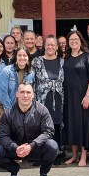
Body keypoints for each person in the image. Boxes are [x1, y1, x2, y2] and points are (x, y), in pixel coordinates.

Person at [0, 83, 57, 176]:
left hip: (35, 148)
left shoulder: (42, 110)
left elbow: (48, 131)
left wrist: (31, 146)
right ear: (17, 94)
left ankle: (44, 173)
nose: (25, 95)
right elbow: (2, 136)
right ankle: (13, 169)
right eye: (22, 92)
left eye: (28, 92)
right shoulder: (8, 113)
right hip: (15, 149)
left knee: (53, 146)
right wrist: (15, 147)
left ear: (33, 95)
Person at [62, 30, 89, 166]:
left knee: (83, 126)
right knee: (71, 125)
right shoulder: (67, 58)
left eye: (76, 39)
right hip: (69, 98)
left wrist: (88, 96)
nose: (74, 41)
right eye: (71, 40)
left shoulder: (87, 57)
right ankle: (74, 155)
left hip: (83, 97)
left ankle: (83, 156)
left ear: (81, 41)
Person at [32, 36, 65, 164]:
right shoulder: (37, 61)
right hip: (42, 98)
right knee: (42, 125)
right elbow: (32, 80)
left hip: (58, 98)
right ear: (44, 46)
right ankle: (41, 155)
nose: (50, 47)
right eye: (48, 45)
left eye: (53, 45)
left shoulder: (62, 62)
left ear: (57, 47)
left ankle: (55, 153)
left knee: (56, 125)